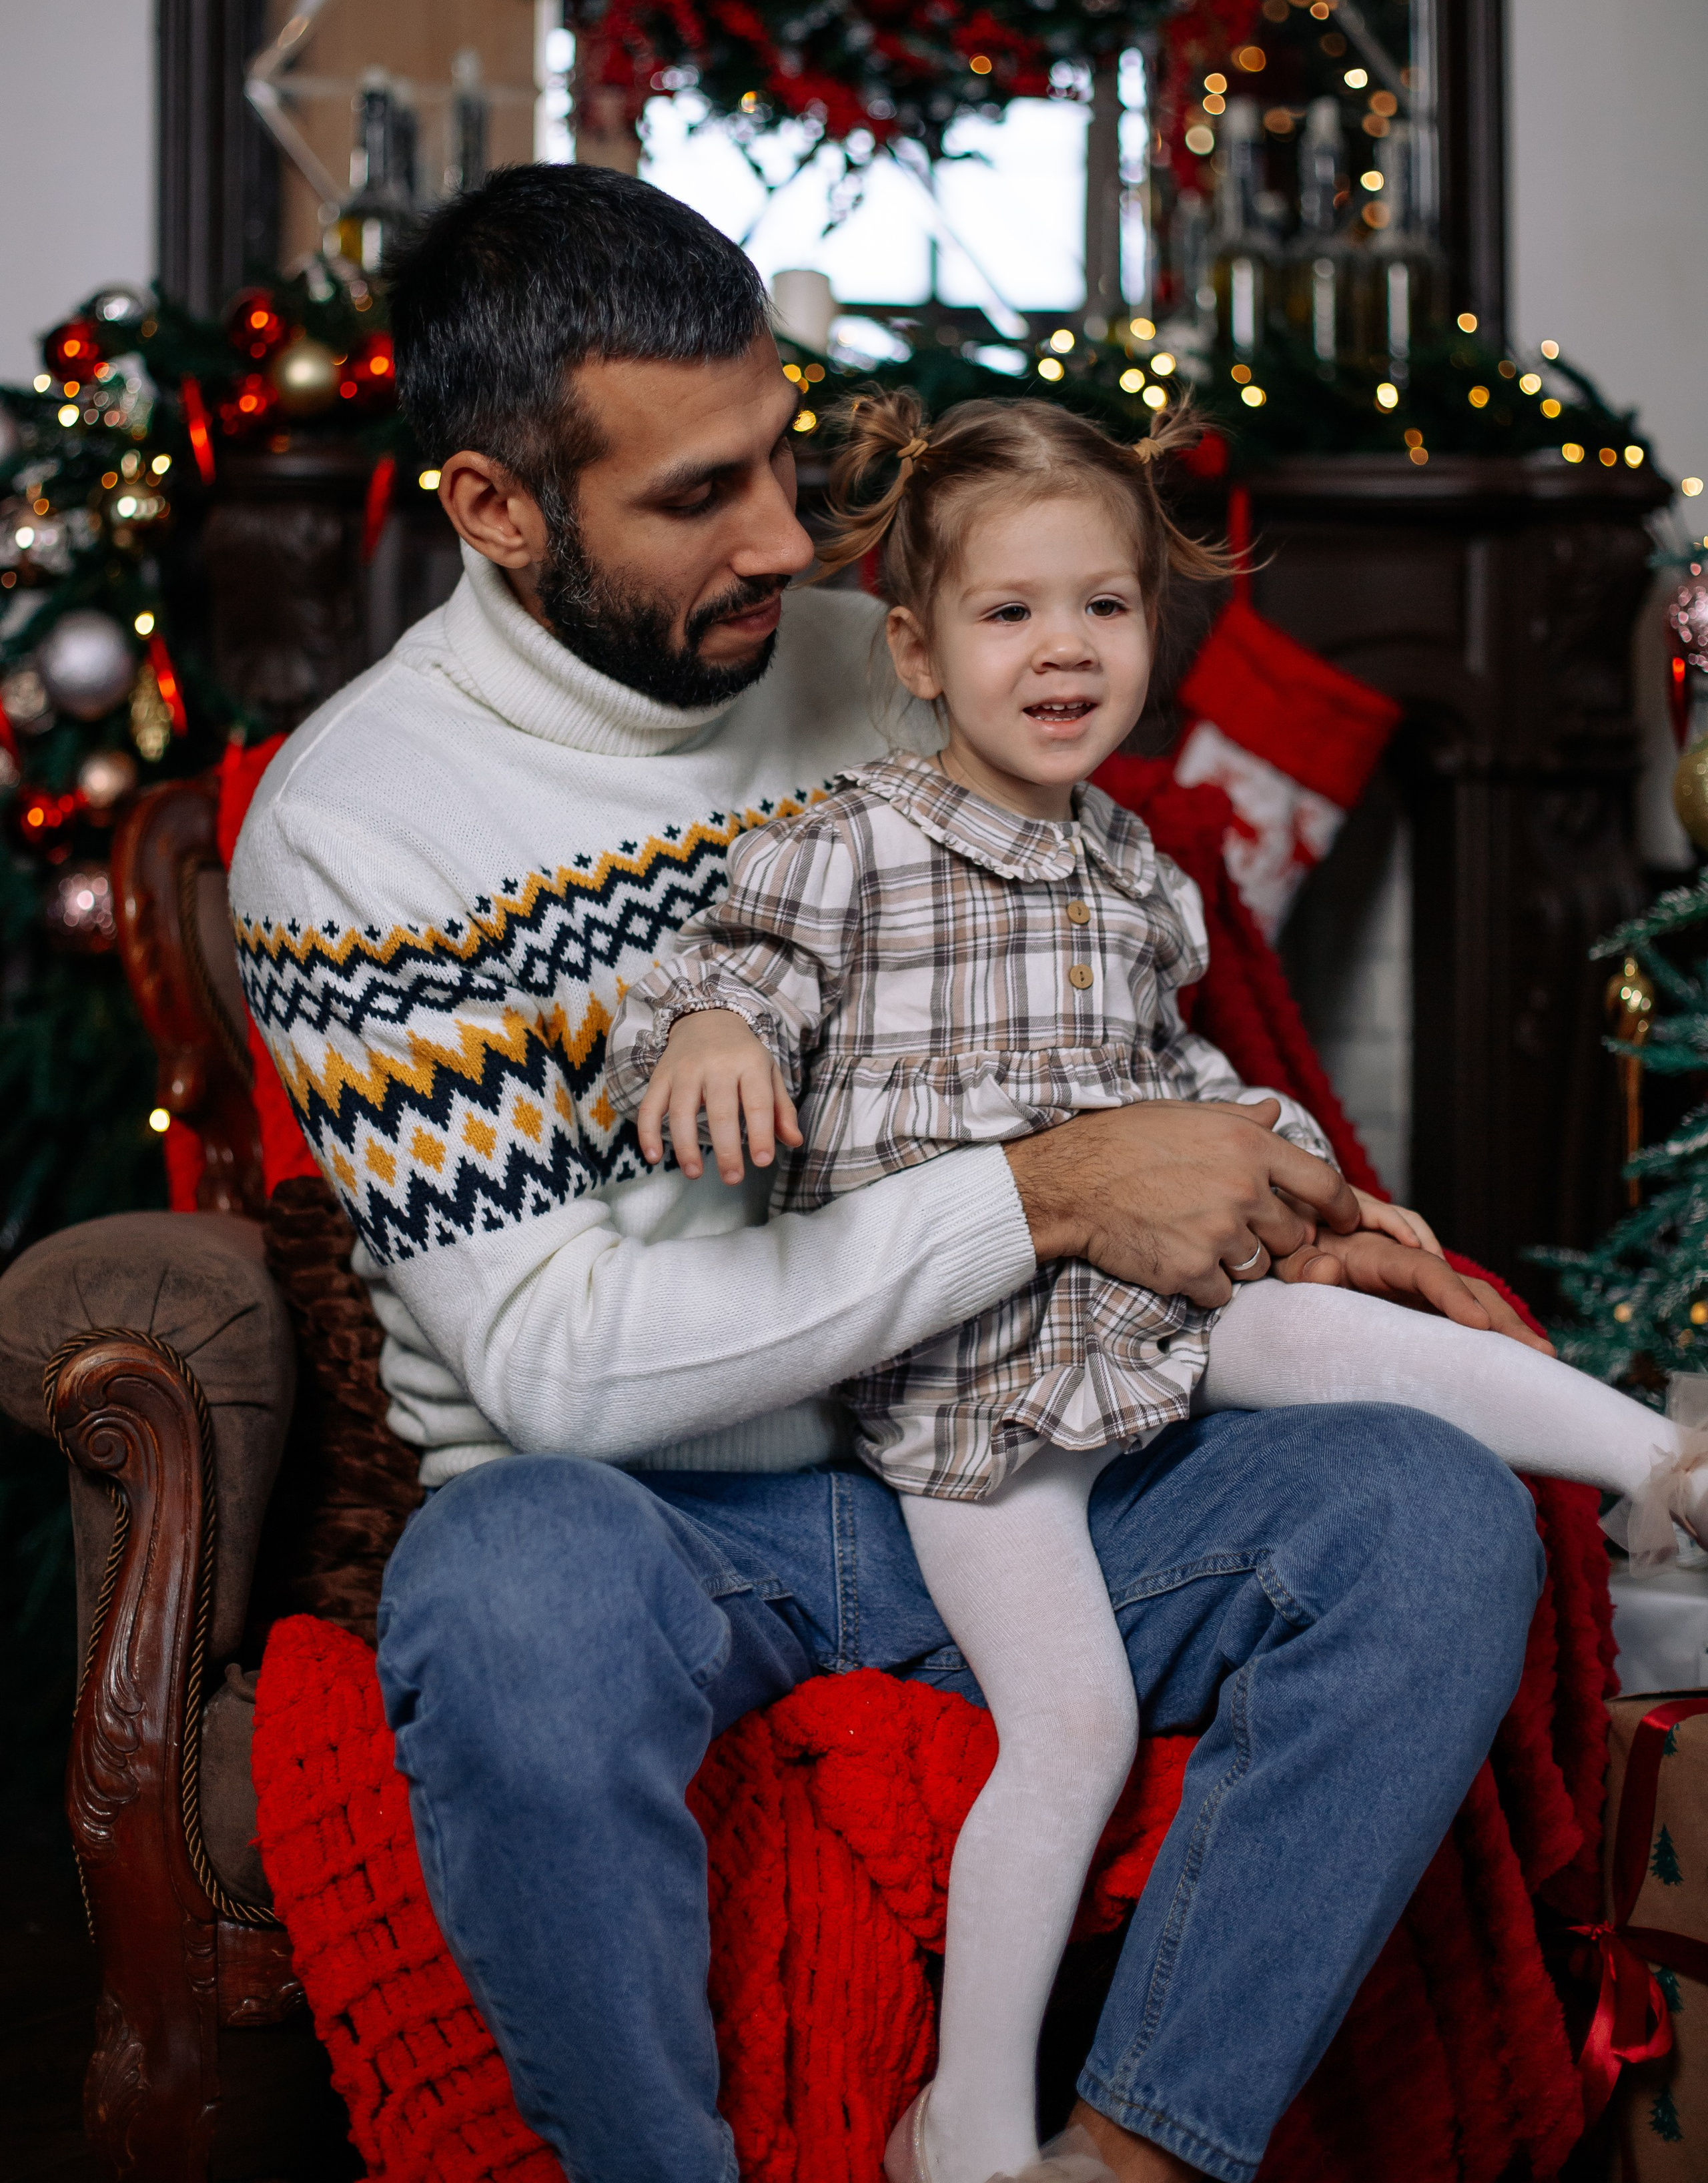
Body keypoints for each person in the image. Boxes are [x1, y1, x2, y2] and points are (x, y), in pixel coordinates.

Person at [234, 162, 1555, 2183]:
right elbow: (558, 1370)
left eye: (786, 451)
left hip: (1031, 1446)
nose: (788, 538)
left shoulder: (901, 660)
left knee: (1437, 1514)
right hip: (656, 1524)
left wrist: (1342, 1239)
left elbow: (1133, 1043)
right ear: (497, 510)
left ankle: (1125, 2153)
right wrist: (1045, 1194)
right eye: (697, 497)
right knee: (500, 1589)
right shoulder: (358, 831)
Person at [605, 387, 1708, 2183]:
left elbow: (1180, 1089)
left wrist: (1336, 1195)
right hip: (964, 1400)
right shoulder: (852, 839)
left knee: (1333, 1321)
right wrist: (717, 1034)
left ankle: (1659, 1469)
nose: (1064, 651)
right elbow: (729, 971)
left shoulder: (1134, 868)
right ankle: (969, 2125)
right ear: (916, 646)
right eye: (1011, 612)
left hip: (1139, 1318)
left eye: (1104, 609)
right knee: (1076, 1724)